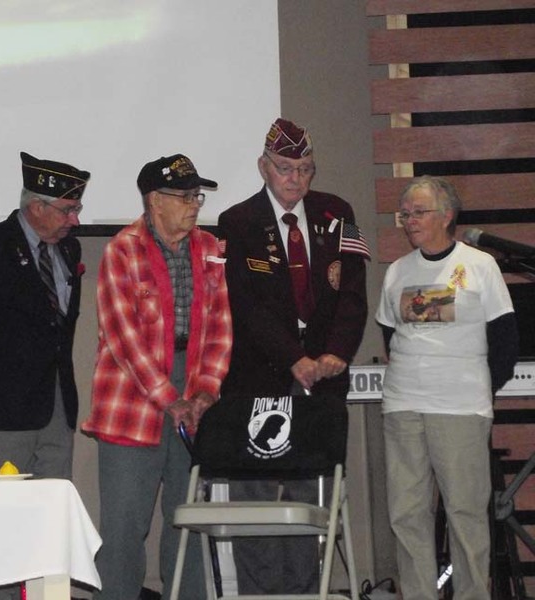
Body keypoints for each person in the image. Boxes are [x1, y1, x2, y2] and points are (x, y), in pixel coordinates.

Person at [217, 118, 369, 594]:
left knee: (310, 494)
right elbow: (245, 305)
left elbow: (353, 296)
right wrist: (292, 359)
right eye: (285, 168)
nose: (295, 180)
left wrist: (335, 354)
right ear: (264, 167)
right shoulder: (237, 221)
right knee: (257, 496)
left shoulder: (336, 213)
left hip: (321, 379)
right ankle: (261, 594)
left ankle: (305, 592)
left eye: (305, 170)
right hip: (260, 376)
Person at [82, 154, 232, 600]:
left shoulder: (209, 248)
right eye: (184, 196)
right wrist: (170, 398)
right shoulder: (121, 249)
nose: (194, 205)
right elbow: (123, 337)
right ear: (154, 201)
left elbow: (221, 325)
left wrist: (206, 391)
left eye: (196, 196)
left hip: (193, 391)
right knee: (125, 529)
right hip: (133, 399)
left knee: (187, 521)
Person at [376, 175, 518, 600]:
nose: (410, 221)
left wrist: (476, 388)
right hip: (403, 405)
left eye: (419, 212)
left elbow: (505, 340)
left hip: (460, 407)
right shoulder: (398, 271)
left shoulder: (480, 265)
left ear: (447, 215)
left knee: (465, 513)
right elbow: (388, 334)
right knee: (407, 513)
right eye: (405, 214)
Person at [0, 151, 90, 483]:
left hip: (57, 405)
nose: (74, 220)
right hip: (1, 410)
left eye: (76, 209)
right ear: (36, 207)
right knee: (0, 514)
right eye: (67, 210)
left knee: (53, 509)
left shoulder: (69, 250)